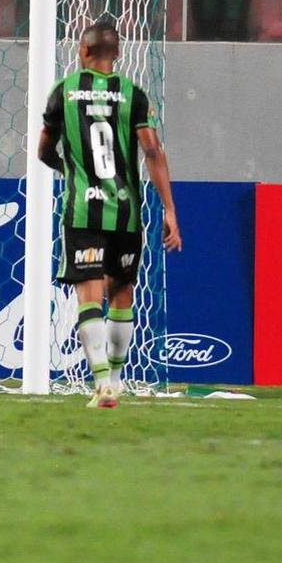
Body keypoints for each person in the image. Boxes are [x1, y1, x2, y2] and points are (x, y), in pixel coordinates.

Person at [37, 22, 181, 408]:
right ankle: (116, 381)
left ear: (83, 51)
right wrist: (169, 210)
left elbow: (44, 151)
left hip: (83, 211)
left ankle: (100, 384)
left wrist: (70, 170)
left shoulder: (62, 92)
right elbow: (153, 153)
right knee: (121, 294)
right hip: (126, 212)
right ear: (117, 54)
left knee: (89, 296)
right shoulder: (133, 95)